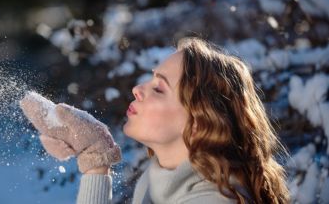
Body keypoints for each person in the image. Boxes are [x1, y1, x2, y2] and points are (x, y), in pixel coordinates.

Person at [20, 37, 290, 204]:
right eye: (151, 78)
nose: (138, 89)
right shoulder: (156, 184)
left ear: (198, 122)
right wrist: (96, 162)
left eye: (159, 88)